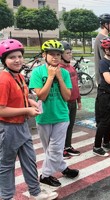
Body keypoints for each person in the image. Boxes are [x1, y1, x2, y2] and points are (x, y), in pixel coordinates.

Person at [0, 39, 58, 200]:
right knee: (6, 164)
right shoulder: (3, 79)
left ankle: (35, 192)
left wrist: (30, 101)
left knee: (29, 160)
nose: (17, 60)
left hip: (22, 125)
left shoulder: (17, 75)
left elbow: (22, 95)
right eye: (12, 57)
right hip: (8, 128)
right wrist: (27, 109)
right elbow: (1, 109)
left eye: (19, 56)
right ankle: (6, 197)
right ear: (4, 60)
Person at [29, 40, 79, 188]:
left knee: (56, 147)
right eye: (51, 54)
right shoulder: (37, 72)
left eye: (58, 54)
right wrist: (50, 77)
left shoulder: (64, 72)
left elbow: (67, 96)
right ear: (44, 55)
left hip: (62, 115)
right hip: (44, 116)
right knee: (49, 149)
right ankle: (62, 167)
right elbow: (41, 96)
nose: (55, 57)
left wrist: (59, 78)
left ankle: (44, 175)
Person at [59, 41, 82, 159]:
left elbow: (76, 85)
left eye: (71, 52)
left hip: (73, 101)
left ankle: (67, 146)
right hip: (64, 102)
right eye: (67, 53)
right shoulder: (59, 69)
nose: (70, 55)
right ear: (61, 55)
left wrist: (79, 100)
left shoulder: (71, 68)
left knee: (70, 125)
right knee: (62, 127)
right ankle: (60, 148)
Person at [94, 13, 110, 85]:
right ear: (106, 25)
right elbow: (107, 59)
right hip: (105, 78)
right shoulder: (102, 39)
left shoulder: (103, 37)